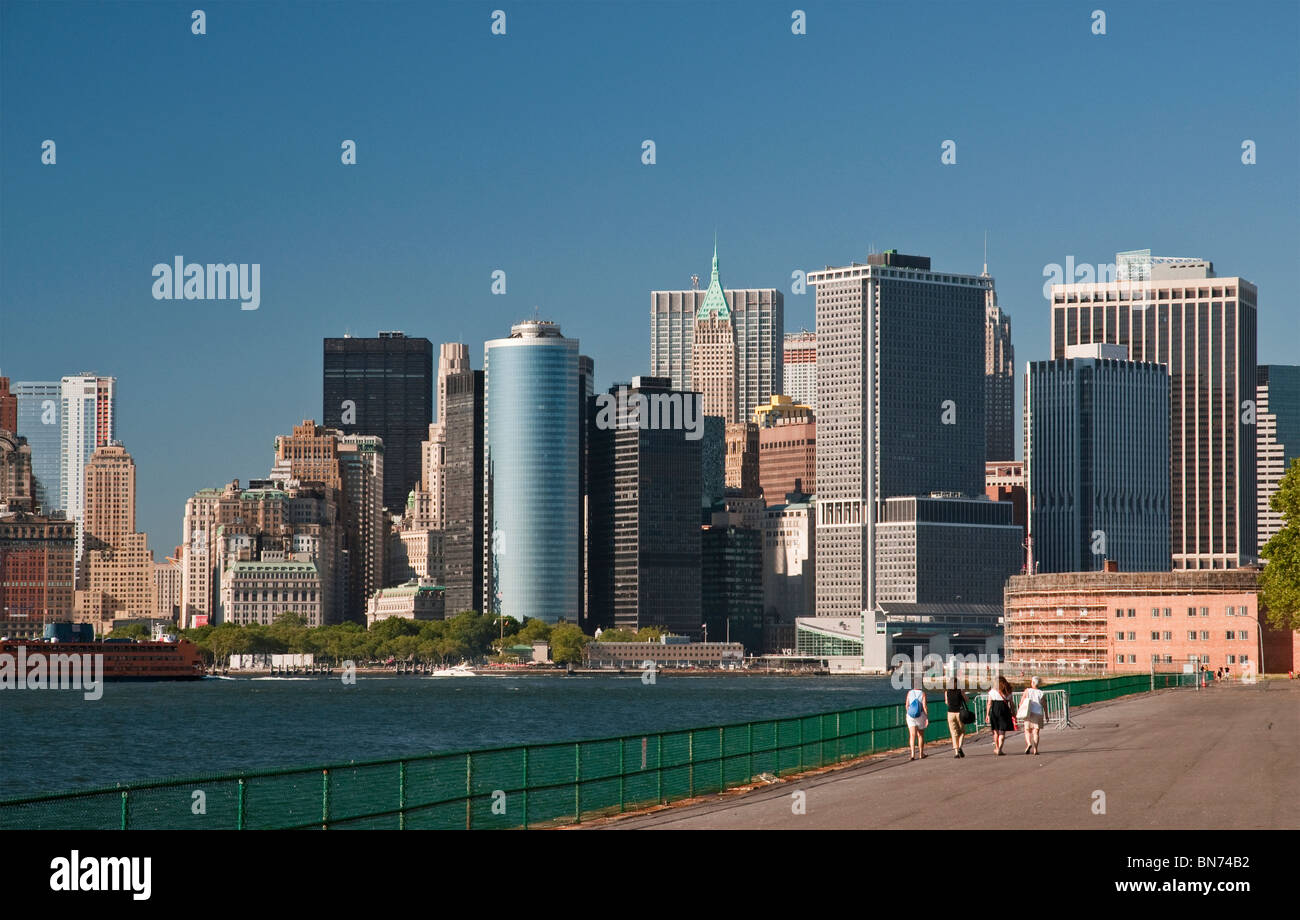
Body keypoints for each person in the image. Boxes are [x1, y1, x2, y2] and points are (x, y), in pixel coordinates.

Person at [987, 675, 1015, 755]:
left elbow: (989, 703)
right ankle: (1000, 749)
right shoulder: (1008, 691)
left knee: (995, 731)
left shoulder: (992, 691)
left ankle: (997, 747)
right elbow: (1012, 704)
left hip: (995, 711)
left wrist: (987, 714)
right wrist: (1013, 713)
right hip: (1005, 711)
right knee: (1002, 732)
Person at [1018, 675, 1046, 754]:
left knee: (1027, 730)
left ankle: (1029, 743)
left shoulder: (1027, 691)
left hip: (1028, 712)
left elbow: (1021, 702)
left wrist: (1020, 709)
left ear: (1033, 683)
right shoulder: (1041, 692)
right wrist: (1047, 715)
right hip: (1038, 713)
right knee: (1036, 732)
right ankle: (1035, 750)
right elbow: (1044, 704)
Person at [905, 678, 929, 761]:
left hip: (910, 716)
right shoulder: (922, 693)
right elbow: (924, 707)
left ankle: (912, 755)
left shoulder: (909, 693)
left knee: (912, 736)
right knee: (920, 735)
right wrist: (926, 717)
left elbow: (907, 705)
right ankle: (921, 754)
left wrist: (909, 713)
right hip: (920, 716)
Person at [945, 676, 968, 758]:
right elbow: (966, 700)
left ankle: (956, 752)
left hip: (950, 713)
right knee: (962, 731)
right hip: (959, 713)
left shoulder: (947, 692)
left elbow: (947, 702)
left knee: (954, 733)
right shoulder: (960, 691)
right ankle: (960, 748)